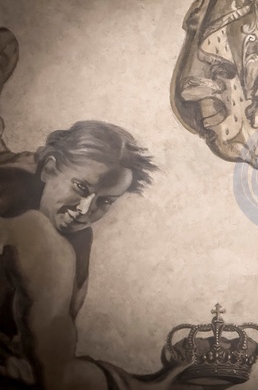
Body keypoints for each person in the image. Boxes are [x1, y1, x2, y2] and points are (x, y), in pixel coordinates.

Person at [0, 120, 188, 390]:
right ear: (49, 168)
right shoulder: (39, 235)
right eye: (81, 188)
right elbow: (55, 376)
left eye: (105, 201)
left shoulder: (75, 241)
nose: (84, 210)